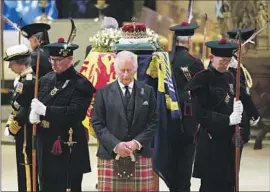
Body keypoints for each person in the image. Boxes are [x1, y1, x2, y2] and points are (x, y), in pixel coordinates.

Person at [29, 37, 96, 192]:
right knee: (45, 184)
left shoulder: (81, 84)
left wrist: (46, 111)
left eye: (59, 60)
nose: (54, 64)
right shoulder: (46, 79)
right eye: (52, 59)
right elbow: (41, 102)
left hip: (67, 145)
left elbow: (75, 113)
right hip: (45, 143)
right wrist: (35, 115)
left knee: (67, 186)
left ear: (70, 59)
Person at [92, 50, 158, 191]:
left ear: (136, 69)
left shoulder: (148, 92)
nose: (126, 74)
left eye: (129, 70)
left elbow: (153, 122)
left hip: (140, 154)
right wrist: (116, 145)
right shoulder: (103, 93)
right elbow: (97, 123)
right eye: (122, 70)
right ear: (115, 69)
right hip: (110, 155)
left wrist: (136, 143)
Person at [186, 38, 246, 192]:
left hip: (228, 143)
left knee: (228, 183)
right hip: (211, 141)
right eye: (222, 61)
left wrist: (239, 111)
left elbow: (232, 102)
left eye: (228, 61)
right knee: (211, 185)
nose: (225, 64)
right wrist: (227, 120)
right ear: (212, 58)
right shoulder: (201, 79)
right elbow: (199, 114)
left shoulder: (231, 78)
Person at [167, 21, 204, 192]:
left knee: (171, 164)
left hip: (168, 118)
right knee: (185, 164)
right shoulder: (195, 63)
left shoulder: (166, 60)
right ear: (189, 41)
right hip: (188, 120)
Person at [3, 44, 36, 192]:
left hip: (25, 132)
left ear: (20, 63)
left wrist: (12, 128)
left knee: (25, 165)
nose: (10, 66)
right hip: (21, 130)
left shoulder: (28, 82)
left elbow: (22, 111)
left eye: (12, 63)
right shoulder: (23, 79)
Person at [227, 28, 260, 145]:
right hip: (234, 118)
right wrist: (253, 114)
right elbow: (241, 92)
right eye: (247, 46)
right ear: (239, 46)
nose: (247, 50)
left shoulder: (228, 62)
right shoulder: (232, 65)